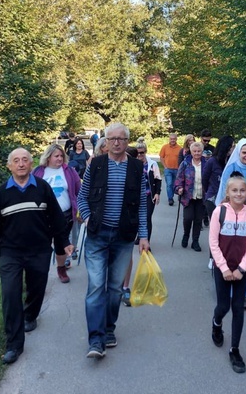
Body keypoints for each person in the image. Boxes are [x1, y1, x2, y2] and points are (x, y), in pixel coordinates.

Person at [0, 148, 72, 365]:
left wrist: (64, 242)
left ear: (32, 164)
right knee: (10, 294)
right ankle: (14, 345)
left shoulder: (42, 188)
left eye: (25, 160)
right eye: (16, 160)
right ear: (9, 166)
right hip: (11, 252)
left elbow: (56, 218)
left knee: (36, 287)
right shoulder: (2, 193)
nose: (21, 164)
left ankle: (30, 314)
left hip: (39, 250)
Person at [77, 123, 149, 359]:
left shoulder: (138, 168)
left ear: (127, 142)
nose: (116, 142)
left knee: (115, 288)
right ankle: (95, 339)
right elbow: (82, 197)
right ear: (106, 141)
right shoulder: (95, 165)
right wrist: (88, 220)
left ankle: (109, 329)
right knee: (96, 286)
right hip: (98, 234)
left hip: (123, 236)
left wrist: (144, 236)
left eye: (121, 138)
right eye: (112, 138)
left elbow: (141, 204)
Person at [209, 172, 246, 374]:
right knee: (223, 306)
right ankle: (216, 323)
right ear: (227, 192)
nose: (239, 194)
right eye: (234, 190)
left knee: (238, 308)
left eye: (242, 190)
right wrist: (223, 268)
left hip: (240, 270)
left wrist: (241, 269)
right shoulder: (219, 212)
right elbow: (213, 243)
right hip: (222, 268)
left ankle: (235, 349)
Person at [216, 138, 246, 309]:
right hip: (229, 214)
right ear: (238, 153)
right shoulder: (231, 168)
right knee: (229, 251)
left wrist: (240, 196)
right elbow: (224, 192)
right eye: (244, 152)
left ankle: (244, 294)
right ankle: (226, 288)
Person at [32, 143, 82, 282]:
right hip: (42, 216)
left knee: (61, 244)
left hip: (65, 215)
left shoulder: (69, 171)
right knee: (42, 245)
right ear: (48, 157)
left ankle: (61, 269)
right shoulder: (38, 172)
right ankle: (40, 273)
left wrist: (80, 211)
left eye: (61, 156)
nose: (60, 159)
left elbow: (79, 191)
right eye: (56, 156)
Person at [122, 138, 162, 306]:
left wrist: (157, 193)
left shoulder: (151, 164)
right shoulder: (129, 167)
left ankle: (145, 238)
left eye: (142, 152)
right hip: (132, 202)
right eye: (138, 153)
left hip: (147, 195)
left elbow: (158, 179)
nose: (140, 155)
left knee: (145, 218)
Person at [174, 141, 208, 251]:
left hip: (201, 196)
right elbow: (178, 179)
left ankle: (195, 241)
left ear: (202, 151)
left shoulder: (206, 164)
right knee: (188, 218)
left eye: (199, 151)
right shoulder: (185, 163)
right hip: (188, 196)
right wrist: (179, 188)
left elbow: (209, 179)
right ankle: (186, 235)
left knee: (198, 220)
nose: (197, 153)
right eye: (195, 151)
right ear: (191, 151)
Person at [202, 136, 235, 224]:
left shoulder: (231, 162)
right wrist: (210, 190)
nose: (233, 149)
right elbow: (204, 179)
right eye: (232, 146)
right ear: (226, 147)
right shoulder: (212, 161)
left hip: (228, 199)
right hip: (213, 198)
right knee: (216, 226)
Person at [159, 133, 182, 206]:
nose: (172, 140)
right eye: (171, 139)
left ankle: (177, 195)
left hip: (176, 169)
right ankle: (170, 198)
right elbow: (161, 157)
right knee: (169, 184)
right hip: (168, 169)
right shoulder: (165, 147)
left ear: (176, 139)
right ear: (169, 139)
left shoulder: (180, 148)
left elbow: (181, 159)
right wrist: (165, 166)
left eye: (174, 139)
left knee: (175, 185)